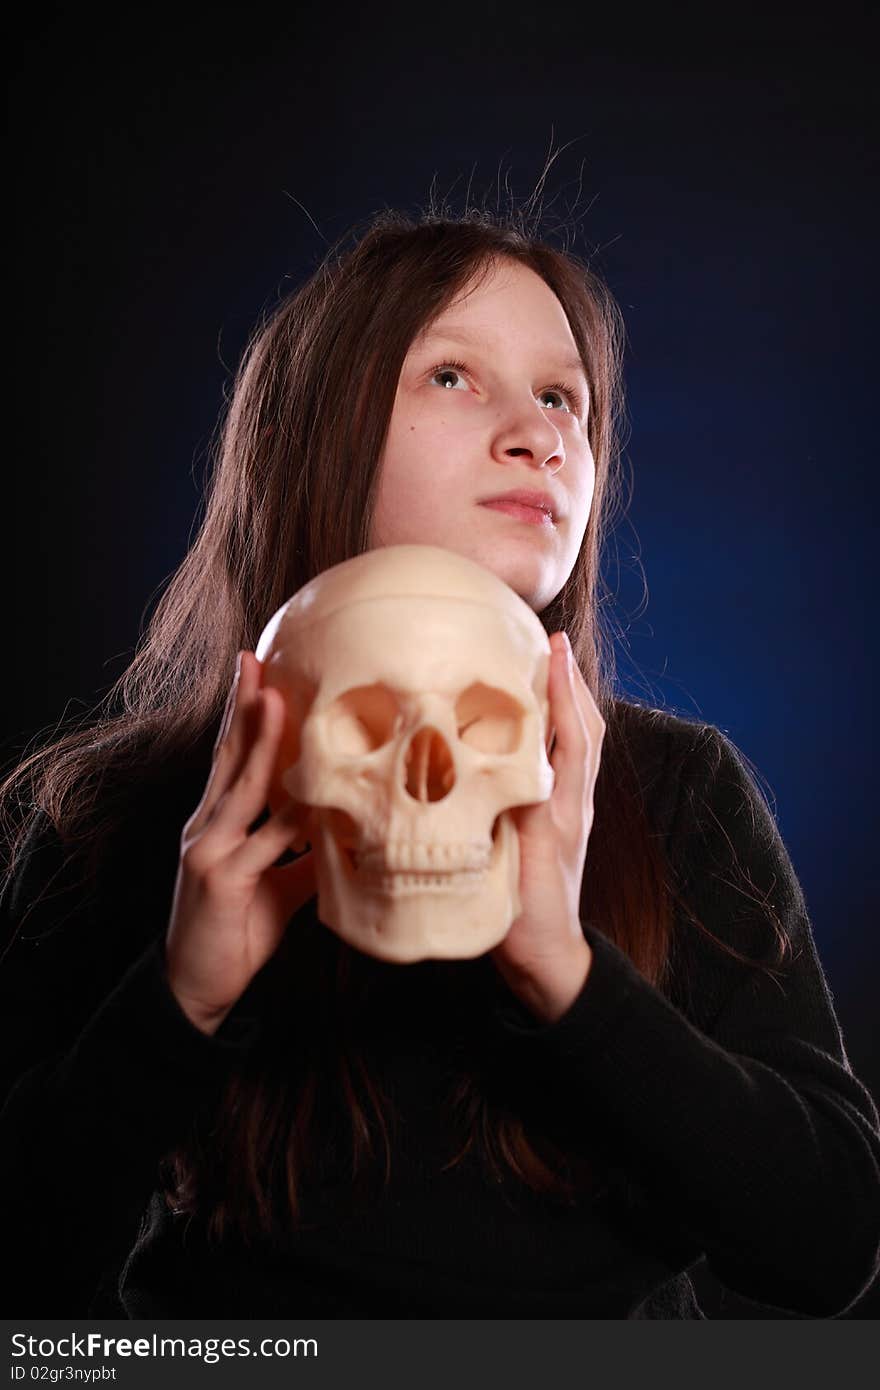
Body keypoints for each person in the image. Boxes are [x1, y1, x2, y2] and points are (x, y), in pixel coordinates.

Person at [1, 205, 878, 1320]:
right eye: (454, 377)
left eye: (562, 396)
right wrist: (181, 997)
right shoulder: (107, 815)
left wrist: (566, 971)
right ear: (319, 424)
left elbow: (829, 1245)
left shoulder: (681, 792)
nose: (538, 434)